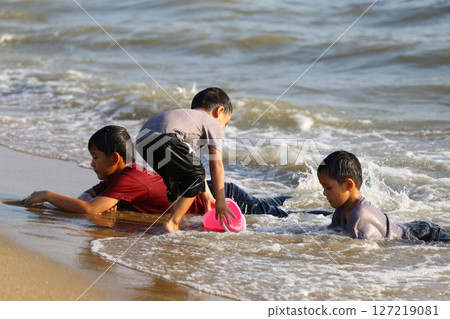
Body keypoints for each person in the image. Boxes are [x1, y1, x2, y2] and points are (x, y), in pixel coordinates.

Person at [24, 125, 298, 219]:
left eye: (95, 157)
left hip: (220, 197)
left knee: (280, 215)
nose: (92, 163)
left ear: (115, 157)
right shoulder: (119, 175)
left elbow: (89, 209)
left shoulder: (130, 179)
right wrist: (80, 199)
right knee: (272, 206)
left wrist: (48, 195)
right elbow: (89, 196)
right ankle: (296, 198)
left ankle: (321, 213)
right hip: (212, 188)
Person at [136, 87, 234, 232]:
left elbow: (191, 166)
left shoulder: (188, 119)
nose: (223, 128)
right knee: (196, 174)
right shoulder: (212, 123)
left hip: (142, 139)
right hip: (166, 138)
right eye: (225, 123)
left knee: (173, 179)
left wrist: (207, 197)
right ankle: (173, 221)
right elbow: (216, 164)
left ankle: (177, 218)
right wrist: (220, 201)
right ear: (219, 111)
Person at [317, 150, 449, 242]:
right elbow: (330, 234)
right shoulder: (342, 208)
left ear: (348, 185)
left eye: (328, 187)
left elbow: (371, 249)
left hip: (428, 235)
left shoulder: (360, 217)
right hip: (409, 228)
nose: (324, 193)